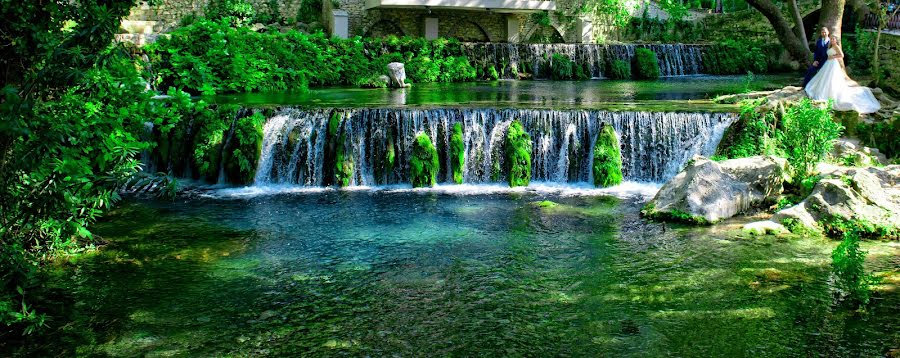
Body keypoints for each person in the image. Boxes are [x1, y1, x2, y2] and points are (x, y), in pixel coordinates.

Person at [804, 34, 882, 114]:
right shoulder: (829, 46)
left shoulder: (836, 46)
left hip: (833, 64)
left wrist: (833, 56)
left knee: (831, 78)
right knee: (825, 78)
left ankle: (831, 93)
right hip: (828, 64)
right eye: (831, 39)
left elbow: (841, 55)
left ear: (836, 40)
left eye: (833, 39)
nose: (832, 40)